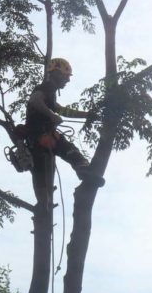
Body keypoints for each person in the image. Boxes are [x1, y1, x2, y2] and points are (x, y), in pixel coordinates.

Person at [25, 58, 103, 206]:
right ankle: (82, 170)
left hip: (39, 138)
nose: (67, 80)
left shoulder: (51, 94)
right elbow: (35, 100)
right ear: (55, 74)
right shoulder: (46, 87)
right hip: (40, 136)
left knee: (45, 173)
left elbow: (63, 110)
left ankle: (44, 203)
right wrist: (51, 115)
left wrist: (87, 115)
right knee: (69, 151)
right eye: (66, 76)